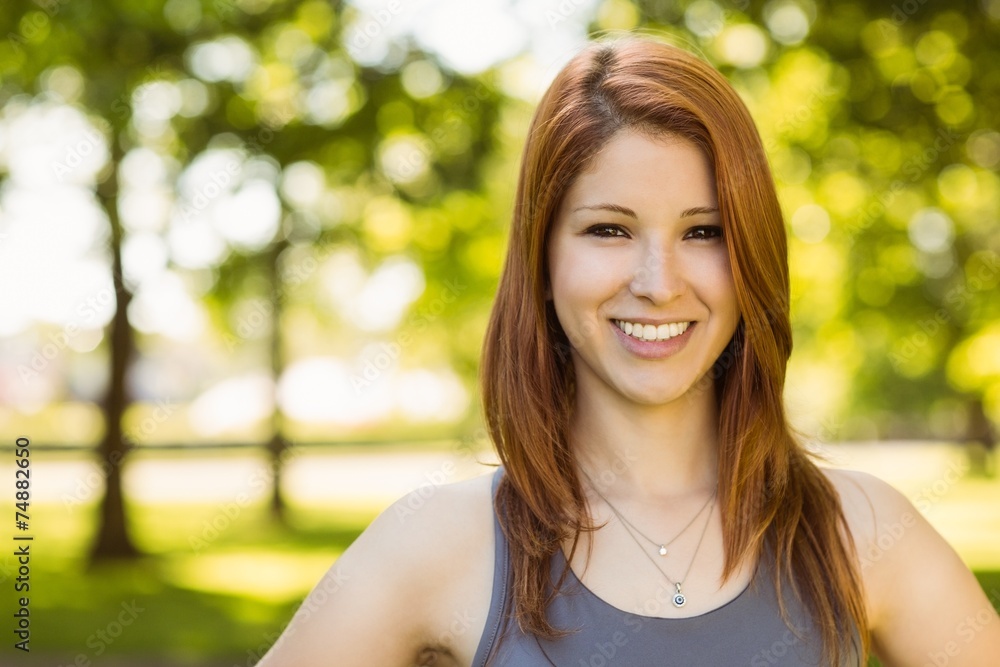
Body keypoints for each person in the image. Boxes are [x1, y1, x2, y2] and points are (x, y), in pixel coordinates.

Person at [258, 35, 1000, 666]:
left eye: (703, 231)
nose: (658, 283)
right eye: (609, 229)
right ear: (542, 258)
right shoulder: (437, 541)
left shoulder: (863, 531)